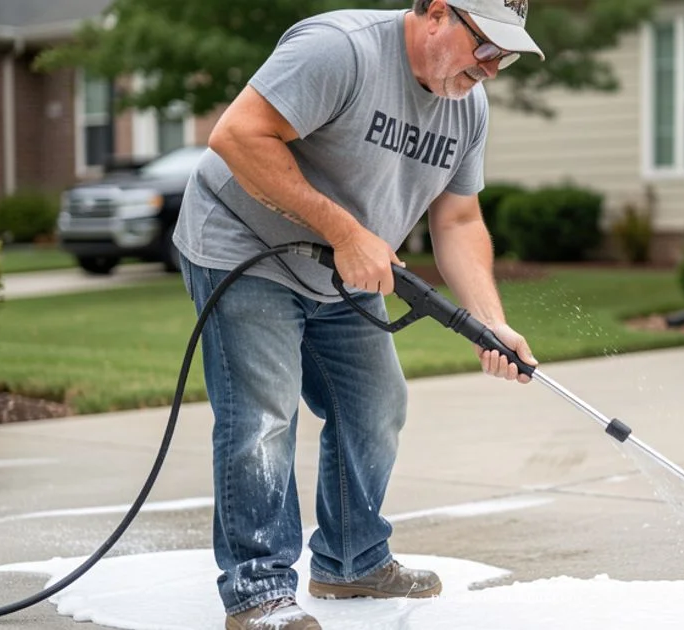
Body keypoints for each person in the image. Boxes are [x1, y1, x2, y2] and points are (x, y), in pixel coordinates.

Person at [171, 1, 545, 628]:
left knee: (375, 407)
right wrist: (347, 233)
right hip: (242, 246)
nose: (492, 69)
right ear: (435, 13)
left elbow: (457, 219)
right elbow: (236, 136)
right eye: (485, 47)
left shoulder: (468, 108)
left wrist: (490, 322)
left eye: (504, 56)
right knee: (263, 416)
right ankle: (258, 593)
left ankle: (351, 561)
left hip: (346, 266)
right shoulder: (341, 49)